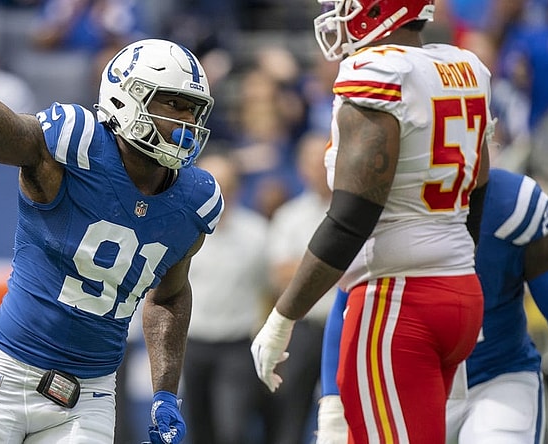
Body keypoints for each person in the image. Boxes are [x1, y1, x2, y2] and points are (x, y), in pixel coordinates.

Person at [0, 1, 223, 443]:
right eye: (172, 105)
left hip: (90, 397)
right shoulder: (72, 147)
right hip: (6, 373)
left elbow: (170, 294)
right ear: (127, 96)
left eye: (191, 110)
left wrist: (164, 394)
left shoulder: (194, 199)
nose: (183, 122)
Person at [250, 1, 493, 443]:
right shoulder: (465, 68)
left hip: (399, 300)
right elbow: (478, 188)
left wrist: (283, 316)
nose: (337, 12)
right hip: (459, 289)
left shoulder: (376, 72)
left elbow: (351, 218)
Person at [318, 168, 548, 444]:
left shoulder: (513, 202)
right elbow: (349, 303)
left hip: (499, 378)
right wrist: (333, 404)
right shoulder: (392, 201)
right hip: (412, 382)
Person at [182, 153, 271, 444]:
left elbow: (270, 290)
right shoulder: (180, 231)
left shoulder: (256, 233)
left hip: (236, 347)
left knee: (232, 430)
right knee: (197, 429)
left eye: (225, 185)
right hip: (191, 345)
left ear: (236, 189)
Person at [263, 131, 336, 444]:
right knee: (290, 410)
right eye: (310, 161)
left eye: (323, 160)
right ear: (301, 167)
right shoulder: (289, 216)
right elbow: (281, 274)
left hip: (343, 322)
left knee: (345, 408)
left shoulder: (354, 215)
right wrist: (336, 266)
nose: (317, 168)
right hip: (302, 327)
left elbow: (296, 271)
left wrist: (306, 266)